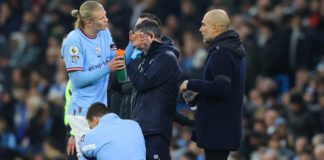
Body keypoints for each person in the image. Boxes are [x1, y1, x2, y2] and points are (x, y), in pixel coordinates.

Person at [60, 1, 125, 158]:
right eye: (102, 18)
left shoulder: (104, 32)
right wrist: (107, 68)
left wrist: (131, 48)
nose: (106, 20)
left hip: (99, 110)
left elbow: (114, 57)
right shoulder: (73, 41)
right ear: (89, 22)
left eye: (106, 16)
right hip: (82, 113)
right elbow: (77, 81)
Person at [180, 9, 245, 160]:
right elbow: (223, 91)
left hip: (218, 130)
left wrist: (191, 84)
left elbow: (222, 88)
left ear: (215, 28)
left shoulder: (222, 53)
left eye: (204, 25)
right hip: (223, 128)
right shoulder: (231, 50)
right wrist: (198, 97)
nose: (200, 29)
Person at [109, 13, 193, 127]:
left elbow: (143, 85)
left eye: (142, 27)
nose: (136, 32)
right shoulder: (134, 52)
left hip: (147, 124)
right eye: (136, 28)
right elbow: (114, 82)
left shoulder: (164, 56)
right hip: (125, 122)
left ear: (151, 33)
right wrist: (131, 47)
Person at [127, 20, 181, 160]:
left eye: (138, 39)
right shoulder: (145, 59)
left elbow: (143, 84)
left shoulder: (166, 58)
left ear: (150, 36)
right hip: (143, 128)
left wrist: (129, 62)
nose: (135, 44)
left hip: (155, 129)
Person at [79, 102, 146, 160]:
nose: (92, 129)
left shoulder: (94, 134)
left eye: (91, 127)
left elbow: (83, 149)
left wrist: (82, 140)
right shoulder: (134, 124)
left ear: (95, 119)